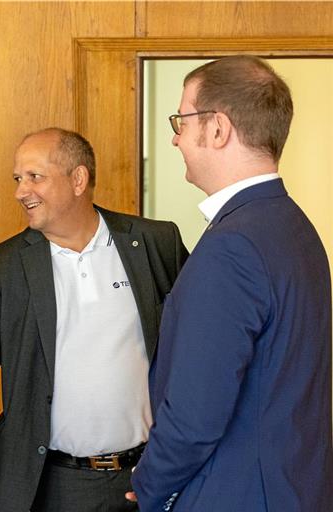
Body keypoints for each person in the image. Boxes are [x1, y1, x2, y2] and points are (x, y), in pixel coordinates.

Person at [0, 127, 188, 512]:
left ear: (78, 179)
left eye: (34, 177)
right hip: (54, 484)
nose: (20, 191)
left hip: (150, 476)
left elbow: (200, 342)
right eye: (17, 179)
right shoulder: (6, 266)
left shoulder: (153, 243)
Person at [130, 56, 333, 511]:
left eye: (181, 120)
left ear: (217, 129)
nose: (175, 137)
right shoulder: (295, 226)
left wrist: (148, 484)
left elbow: (194, 417)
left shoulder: (233, 246)